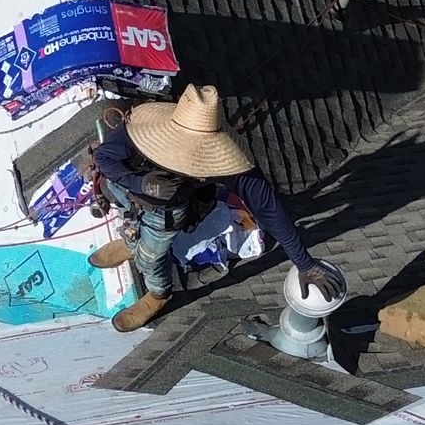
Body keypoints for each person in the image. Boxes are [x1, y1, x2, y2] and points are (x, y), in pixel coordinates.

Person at [83, 84, 340, 333]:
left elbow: (269, 209)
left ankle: (158, 294)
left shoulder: (229, 165)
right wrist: (140, 183)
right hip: (127, 190)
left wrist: (305, 264)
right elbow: (104, 158)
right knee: (131, 221)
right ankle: (130, 245)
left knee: (150, 257)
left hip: (166, 214)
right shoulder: (138, 130)